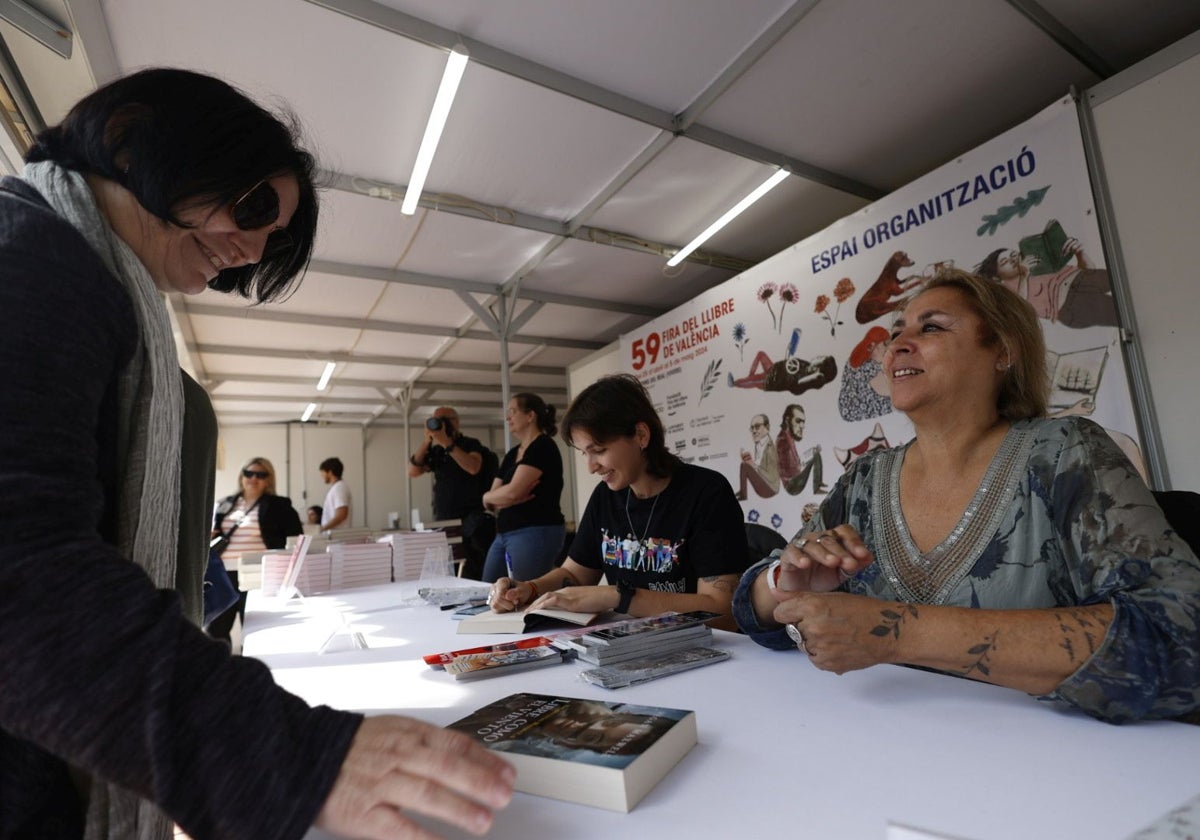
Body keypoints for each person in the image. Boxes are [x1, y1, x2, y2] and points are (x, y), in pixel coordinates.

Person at [0, 68, 513, 840]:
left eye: (269, 238)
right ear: (128, 140)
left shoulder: (74, 273)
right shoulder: (33, 257)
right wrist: (290, 758)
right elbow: (18, 569)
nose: (245, 252)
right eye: (252, 206)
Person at [732, 268, 1200, 723]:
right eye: (897, 332)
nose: (898, 344)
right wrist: (780, 584)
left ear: (1003, 351)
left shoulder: (1064, 452)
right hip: (883, 757)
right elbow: (755, 609)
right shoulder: (863, 479)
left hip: (1045, 770)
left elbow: (1178, 632)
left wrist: (895, 633)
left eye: (930, 327)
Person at [487, 374, 750, 631]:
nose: (591, 467)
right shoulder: (606, 497)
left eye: (598, 451)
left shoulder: (706, 493)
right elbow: (576, 574)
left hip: (703, 652)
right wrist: (528, 588)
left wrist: (620, 596)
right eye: (584, 454)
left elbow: (722, 611)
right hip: (631, 648)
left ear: (641, 435)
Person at [208, 457, 302, 643]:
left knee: (254, 630)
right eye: (249, 473)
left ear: (269, 479)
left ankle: (251, 668)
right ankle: (220, 670)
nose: (253, 478)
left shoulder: (279, 505)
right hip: (223, 574)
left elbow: (295, 539)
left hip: (258, 575)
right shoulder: (225, 503)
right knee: (215, 630)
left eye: (260, 474)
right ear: (241, 476)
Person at [481, 393, 566, 582]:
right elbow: (494, 497)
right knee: (487, 590)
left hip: (535, 530)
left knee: (523, 594)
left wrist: (502, 496)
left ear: (530, 416)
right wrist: (488, 498)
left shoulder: (543, 446)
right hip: (504, 532)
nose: (507, 418)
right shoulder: (512, 454)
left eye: (512, 411)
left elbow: (512, 493)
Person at [408, 406, 494, 579]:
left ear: (456, 422)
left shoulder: (470, 444)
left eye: (444, 420)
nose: (440, 424)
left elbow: (473, 467)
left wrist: (447, 443)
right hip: (444, 522)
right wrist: (428, 440)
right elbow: (413, 471)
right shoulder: (437, 450)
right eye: (436, 420)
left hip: (469, 522)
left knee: (470, 569)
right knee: (449, 569)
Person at [977, 234, 1118, 328]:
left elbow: (1090, 271)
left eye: (1014, 254)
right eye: (1005, 262)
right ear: (997, 277)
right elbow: (1022, 310)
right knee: (1116, 313)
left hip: (1082, 280)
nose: (1013, 259)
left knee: (1120, 281)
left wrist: (1079, 253)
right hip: (1073, 304)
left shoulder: (1037, 261)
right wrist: (1025, 275)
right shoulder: (1009, 292)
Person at [837, 325, 893, 421]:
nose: (887, 352)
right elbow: (888, 391)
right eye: (886, 347)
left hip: (848, 410)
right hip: (858, 411)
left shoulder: (854, 360)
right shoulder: (870, 367)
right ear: (876, 347)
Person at [775, 404, 827, 495]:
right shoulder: (783, 441)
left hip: (793, 480)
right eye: (798, 421)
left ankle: (818, 485)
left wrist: (809, 454)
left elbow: (795, 462)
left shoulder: (787, 436)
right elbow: (790, 471)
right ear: (787, 420)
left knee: (815, 452)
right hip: (792, 485)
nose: (802, 426)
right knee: (815, 454)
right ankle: (817, 487)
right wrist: (805, 461)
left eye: (803, 422)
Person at [735, 413, 779, 500]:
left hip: (770, 489)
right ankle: (742, 493)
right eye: (752, 428)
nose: (754, 431)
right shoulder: (759, 444)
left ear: (767, 427)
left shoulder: (770, 449)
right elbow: (759, 464)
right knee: (744, 464)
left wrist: (753, 465)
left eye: (757, 426)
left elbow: (772, 477)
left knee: (744, 466)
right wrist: (751, 462)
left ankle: (743, 495)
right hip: (764, 484)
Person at [318, 456, 351, 532]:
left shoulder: (339, 488)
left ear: (330, 472)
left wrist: (322, 529)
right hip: (334, 538)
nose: (321, 475)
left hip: (338, 539)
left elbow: (341, 515)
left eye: (322, 472)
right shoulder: (337, 488)